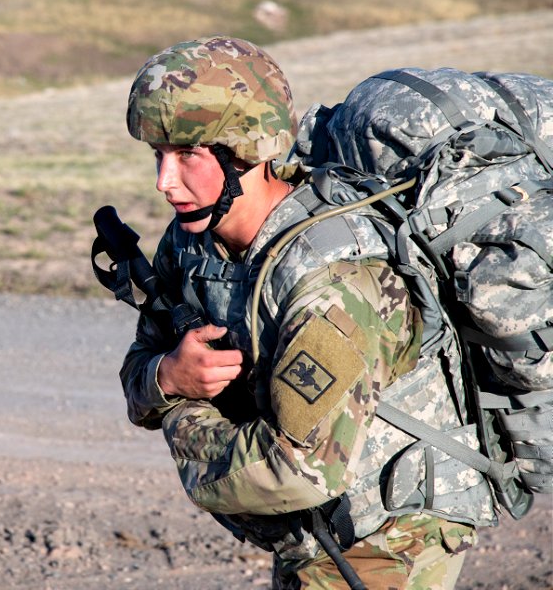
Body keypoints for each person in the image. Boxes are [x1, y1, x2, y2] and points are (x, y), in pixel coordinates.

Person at [117, 36, 496, 589]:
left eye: (187, 155)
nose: (163, 181)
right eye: (158, 154)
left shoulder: (331, 278)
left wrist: (179, 413)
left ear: (245, 149)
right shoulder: (193, 243)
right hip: (311, 534)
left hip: (387, 537)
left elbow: (295, 471)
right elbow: (139, 368)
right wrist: (167, 375)